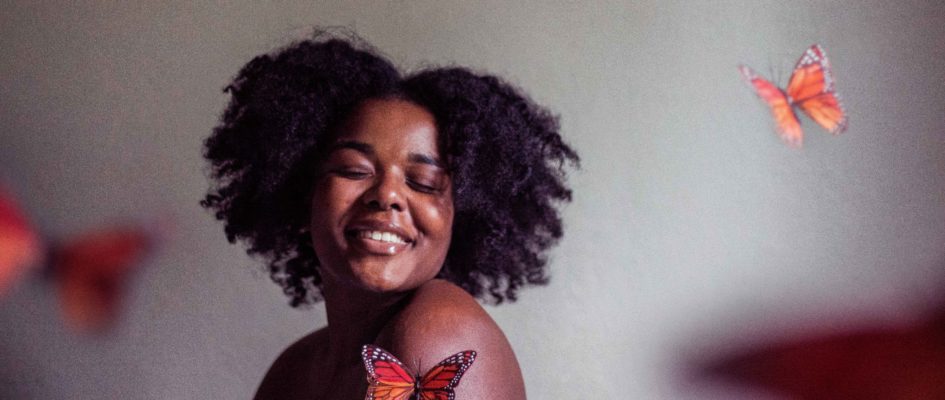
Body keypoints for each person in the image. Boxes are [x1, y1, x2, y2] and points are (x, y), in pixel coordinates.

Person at [202, 31, 577, 400]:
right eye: (353, 169)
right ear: (303, 197)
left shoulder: (438, 331)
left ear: (459, 218)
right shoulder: (295, 368)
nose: (387, 195)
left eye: (424, 181)